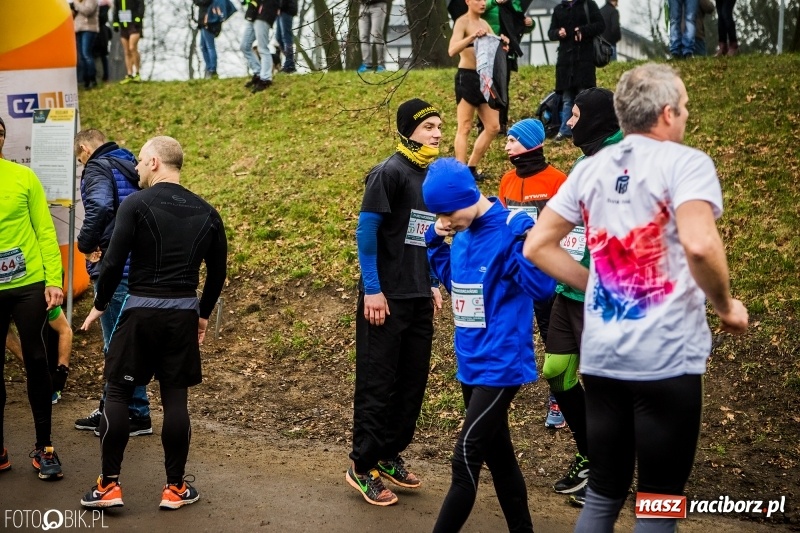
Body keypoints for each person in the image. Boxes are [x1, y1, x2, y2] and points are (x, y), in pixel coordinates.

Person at [524, 63, 749, 532]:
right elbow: (702, 244)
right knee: (658, 502)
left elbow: (537, 246)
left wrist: (600, 286)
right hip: (666, 359)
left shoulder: (590, 168)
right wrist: (727, 306)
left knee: (604, 493)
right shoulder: (685, 162)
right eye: (684, 108)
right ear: (667, 114)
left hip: (603, 356)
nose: (685, 116)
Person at [79, 136, 227, 510]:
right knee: (175, 399)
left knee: (116, 393)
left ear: (156, 163)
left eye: (141, 162)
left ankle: (108, 487)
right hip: (181, 315)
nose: (137, 169)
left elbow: (111, 263)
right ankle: (175, 488)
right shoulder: (208, 212)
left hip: (140, 312)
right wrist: (203, 314)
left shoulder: (136, 204)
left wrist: (100, 302)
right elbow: (218, 273)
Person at [424, 158, 554, 533]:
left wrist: (524, 240)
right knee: (499, 457)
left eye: (447, 213)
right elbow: (455, 282)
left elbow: (543, 289)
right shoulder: (460, 234)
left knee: (465, 457)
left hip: (500, 364)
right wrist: (434, 241)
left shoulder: (506, 230)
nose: (444, 221)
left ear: (468, 197)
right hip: (470, 363)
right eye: (438, 215)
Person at [346, 98, 443, 507]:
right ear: (408, 131)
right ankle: (362, 466)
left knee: (411, 384)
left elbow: (425, 234)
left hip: (419, 295)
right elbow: (366, 234)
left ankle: (388, 454)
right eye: (429, 127)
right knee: (378, 385)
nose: (438, 133)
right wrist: (372, 288)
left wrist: (434, 280)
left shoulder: (431, 176)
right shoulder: (388, 173)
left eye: (439, 126)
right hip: (384, 299)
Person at [541, 87, 623, 508]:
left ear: (595, 118)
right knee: (557, 370)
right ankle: (591, 455)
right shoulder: (584, 159)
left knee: (606, 386)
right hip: (567, 288)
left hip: (603, 294)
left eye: (574, 115)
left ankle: (607, 472)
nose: (569, 123)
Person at [72, 129, 152, 437]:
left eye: (79, 158)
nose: (81, 162)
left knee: (117, 344)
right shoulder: (129, 162)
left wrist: (86, 244)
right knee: (124, 342)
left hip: (114, 266)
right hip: (138, 263)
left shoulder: (97, 166)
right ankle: (115, 407)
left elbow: (102, 207)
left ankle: (133, 414)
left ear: (84, 148)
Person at [0, 138, 65, 479]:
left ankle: (45, 448)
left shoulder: (24, 177)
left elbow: (44, 230)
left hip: (28, 285)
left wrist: (53, 278)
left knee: (37, 360)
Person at [497, 118, 567, 429]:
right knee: (524, 331)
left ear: (530, 143)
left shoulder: (557, 181)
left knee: (556, 336)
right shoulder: (507, 181)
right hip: (517, 272)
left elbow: (571, 227)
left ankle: (560, 398)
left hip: (550, 272)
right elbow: (500, 224)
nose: (506, 144)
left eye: (512, 140)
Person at [449, 0, 507, 181]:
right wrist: (472, 37)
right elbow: (452, 50)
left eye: (484, 0)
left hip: (484, 77)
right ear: (467, 1)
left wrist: (503, 43)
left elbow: (492, 48)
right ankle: (460, 173)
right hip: (466, 77)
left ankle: (471, 167)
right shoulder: (462, 22)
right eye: (479, 0)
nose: (483, 3)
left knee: (493, 126)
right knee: (465, 126)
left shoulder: (485, 24)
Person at [548, 0, 605, 142]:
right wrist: (557, 33)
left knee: (584, 96)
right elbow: (550, 32)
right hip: (565, 62)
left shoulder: (588, 5)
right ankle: (565, 130)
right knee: (567, 99)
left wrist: (583, 30)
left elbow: (600, 25)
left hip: (584, 59)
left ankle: (587, 130)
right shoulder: (558, 9)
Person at [480, 0, 535, 134]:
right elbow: (478, 9)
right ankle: (482, 124)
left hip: (506, 50)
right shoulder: (486, 2)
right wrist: (495, 1)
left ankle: (502, 124)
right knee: (486, 87)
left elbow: (517, 24)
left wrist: (530, 24)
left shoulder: (515, 3)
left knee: (502, 87)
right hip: (487, 48)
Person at [5, 305, 72, 404]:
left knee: (49, 329)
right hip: (9, 300)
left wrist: (62, 371)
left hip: (39, 311)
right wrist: (30, 362)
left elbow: (65, 331)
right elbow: (6, 333)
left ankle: (51, 378)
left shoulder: (44, 301)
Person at [241, 0, 277, 93]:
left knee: (263, 48)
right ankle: (258, 73)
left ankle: (266, 79)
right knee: (244, 46)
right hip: (253, 14)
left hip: (264, 14)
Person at [112, 0, 144, 83]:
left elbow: (141, 7)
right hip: (123, 26)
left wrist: (138, 18)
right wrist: (115, 22)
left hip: (134, 25)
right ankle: (129, 74)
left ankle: (137, 73)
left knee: (132, 48)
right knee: (126, 51)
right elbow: (116, 10)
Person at [73, 0, 100, 89]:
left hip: (89, 29)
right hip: (78, 29)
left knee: (86, 54)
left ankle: (92, 78)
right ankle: (85, 80)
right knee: (81, 56)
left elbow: (87, 11)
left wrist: (76, 4)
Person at [357, 0, 388, 73]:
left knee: (376, 35)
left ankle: (381, 65)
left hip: (378, 5)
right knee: (363, 36)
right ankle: (366, 64)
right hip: (363, 6)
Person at [194, 0, 219, 79]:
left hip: (208, 22)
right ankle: (209, 68)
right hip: (203, 22)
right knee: (203, 46)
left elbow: (201, 2)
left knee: (210, 47)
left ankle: (212, 70)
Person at [94, 0, 113, 83]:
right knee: (100, 55)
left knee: (102, 55)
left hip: (101, 33)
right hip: (99, 31)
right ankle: (102, 77)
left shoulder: (104, 4)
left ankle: (104, 77)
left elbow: (103, 18)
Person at [276, 0, 297, 73]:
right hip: (280, 11)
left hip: (286, 10)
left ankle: (289, 65)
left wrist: (279, 7)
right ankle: (290, 62)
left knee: (286, 38)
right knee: (278, 38)